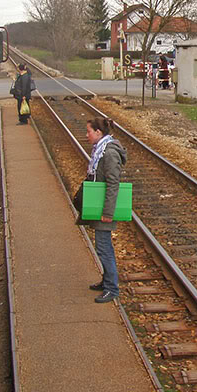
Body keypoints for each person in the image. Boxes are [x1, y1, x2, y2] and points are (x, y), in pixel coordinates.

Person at [83, 116, 127, 304]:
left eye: (89, 132)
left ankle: (112, 288)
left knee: (104, 248)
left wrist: (108, 213)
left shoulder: (108, 153)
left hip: (104, 207)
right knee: (102, 247)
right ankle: (107, 281)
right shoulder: (100, 150)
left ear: (99, 133)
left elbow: (113, 183)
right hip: (100, 204)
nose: (87, 135)